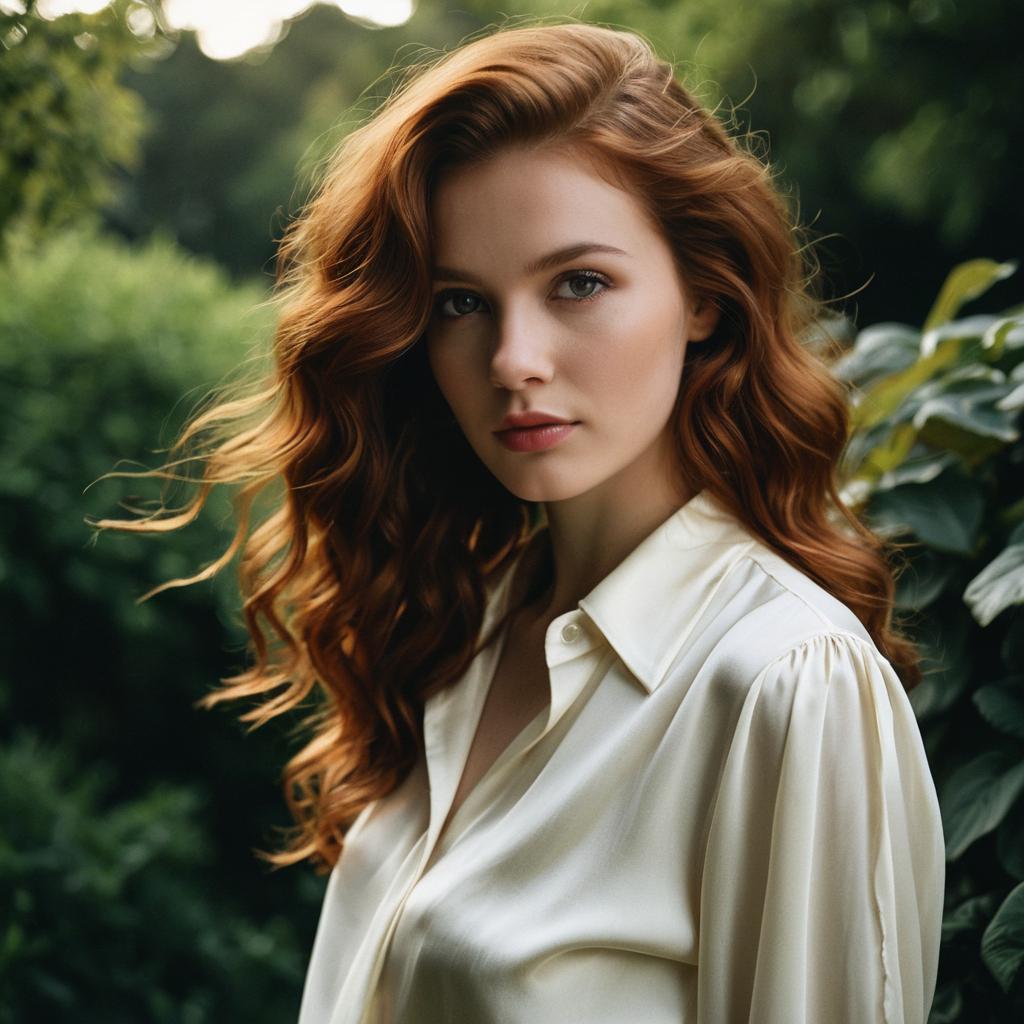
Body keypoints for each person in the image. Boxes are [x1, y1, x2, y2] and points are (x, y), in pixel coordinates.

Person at [96, 18, 945, 1024]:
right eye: (461, 303)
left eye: (578, 283)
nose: (512, 358)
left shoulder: (782, 679)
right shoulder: (464, 632)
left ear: (704, 295)